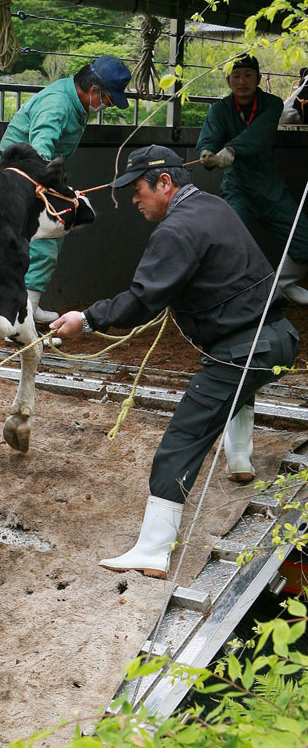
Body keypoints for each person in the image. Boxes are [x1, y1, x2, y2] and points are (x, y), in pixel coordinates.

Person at [50, 144, 299, 579]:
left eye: (139, 189)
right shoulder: (214, 206)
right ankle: (239, 457)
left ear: (165, 183)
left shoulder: (175, 231)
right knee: (240, 389)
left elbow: (143, 300)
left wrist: (86, 319)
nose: (134, 198)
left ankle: (153, 549)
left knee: (181, 441)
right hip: (280, 340)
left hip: (244, 350)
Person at [0, 54, 132, 325]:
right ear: (93, 90)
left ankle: (28, 306)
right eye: (106, 99)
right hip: (20, 174)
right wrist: (53, 185)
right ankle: (24, 310)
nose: (106, 105)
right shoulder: (57, 104)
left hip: (39, 174)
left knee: (45, 236)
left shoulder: (77, 102)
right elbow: (41, 146)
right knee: (47, 232)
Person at [197, 54, 308, 303]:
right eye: (236, 76)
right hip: (238, 191)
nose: (242, 81)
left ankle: (283, 284)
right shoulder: (220, 109)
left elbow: (260, 133)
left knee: (304, 241)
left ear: (258, 78)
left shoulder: (272, 104)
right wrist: (206, 153)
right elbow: (208, 140)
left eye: (248, 75)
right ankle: (227, 297)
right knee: (226, 244)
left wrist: (232, 150)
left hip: (272, 191)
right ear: (228, 81)